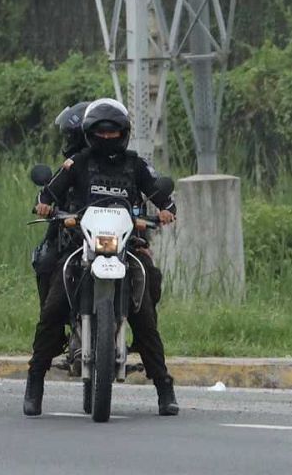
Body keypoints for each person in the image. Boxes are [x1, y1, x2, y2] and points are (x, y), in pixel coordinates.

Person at [25, 99, 179, 417]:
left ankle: (164, 388)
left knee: (146, 315)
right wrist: (45, 206)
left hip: (126, 247)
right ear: (90, 133)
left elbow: (163, 196)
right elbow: (48, 192)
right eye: (102, 132)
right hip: (80, 247)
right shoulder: (77, 163)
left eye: (114, 132)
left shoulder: (136, 165)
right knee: (53, 309)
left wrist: (166, 211)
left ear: (124, 133)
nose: (108, 137)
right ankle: (34, 382)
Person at [32, 102, 90, 305]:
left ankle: (147, 335)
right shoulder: (70, 167)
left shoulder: (125, 164)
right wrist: (45, 205)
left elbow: (139, 199)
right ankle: (51, 332)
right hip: (73, 237)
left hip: (113, 242)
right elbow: (47, 194)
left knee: (147, 271)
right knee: (45, 260)